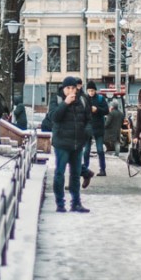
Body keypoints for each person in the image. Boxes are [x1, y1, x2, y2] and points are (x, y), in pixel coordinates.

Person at [51, 76, 92, 213]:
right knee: (60, 173)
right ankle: (60, 203)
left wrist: (86, 133)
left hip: (77, 143)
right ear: (63, 89)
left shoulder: (82, 99)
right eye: (68, 88)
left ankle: (76, 203)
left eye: (73, 88)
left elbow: (88, 119)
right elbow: (54, 118)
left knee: (75, 174)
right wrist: (65, 103)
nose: (71, 91)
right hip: (62, 143)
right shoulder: (56, 99)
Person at [82, 81, 109, 178]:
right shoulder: (84, 99)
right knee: (86, 151)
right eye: (89, 90)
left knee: (100, 150)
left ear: (95, 90)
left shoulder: (100, 98)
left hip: (98, 127)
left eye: (92, 90)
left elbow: (106, 110)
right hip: (88, 128)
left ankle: (102, 169)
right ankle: (85, 169)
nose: (91, 92)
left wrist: (97, 110)